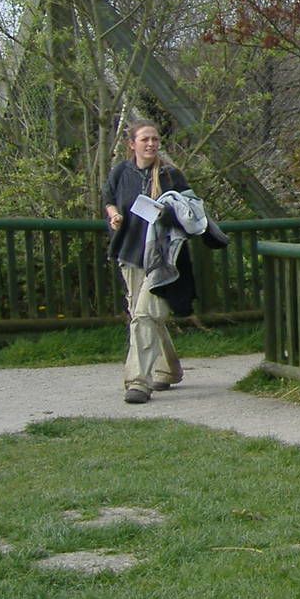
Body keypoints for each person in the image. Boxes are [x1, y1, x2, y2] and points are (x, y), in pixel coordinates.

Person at [102, 120, 189, 405]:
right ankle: (168, 369)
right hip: (129, 253)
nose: (151, 144)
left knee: (143, 315)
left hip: (161, 259)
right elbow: (109, 197)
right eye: (145, 140)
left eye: (154, 139)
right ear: (132, 144)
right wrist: (114, 215)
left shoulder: (170, 175)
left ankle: (138, 382)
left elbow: (190, 210)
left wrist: (168, 214)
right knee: (142, 315)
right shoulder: (121, 171)